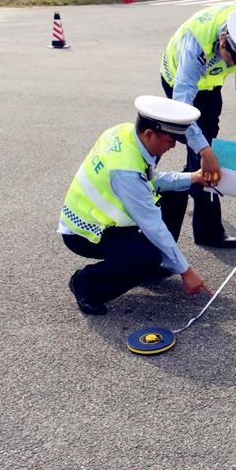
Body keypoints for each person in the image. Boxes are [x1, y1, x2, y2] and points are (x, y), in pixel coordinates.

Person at [60, 95, 214, 316]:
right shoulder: (126, 172)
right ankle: (86, 283)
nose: (172, 146)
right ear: (149, 134)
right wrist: (185, 271)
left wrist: (194, 177)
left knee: (176, 194)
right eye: (170, 140)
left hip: (105, 219)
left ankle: (150, 264)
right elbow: (152, 224)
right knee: (147, 256)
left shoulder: (124, 132)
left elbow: (152, 180)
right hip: (85, 231)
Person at [159, 4, 236, 249]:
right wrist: (204, 151)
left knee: (202, 149)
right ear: (223, 39)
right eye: (230, 58)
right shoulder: (197, 46)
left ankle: (190, 180)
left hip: (210, 87)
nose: (231, 63)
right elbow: (182, 107)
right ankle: (206, 231)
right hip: (178, 85)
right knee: (203, 153)